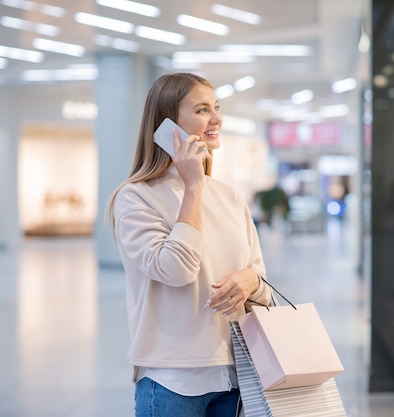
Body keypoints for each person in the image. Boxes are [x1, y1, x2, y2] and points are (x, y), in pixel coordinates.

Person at [107, 72, 272, 417]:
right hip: (171, 382)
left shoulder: (230, 198)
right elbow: (176, 270)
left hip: (233, 378)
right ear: (168, 125)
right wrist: (194, 186)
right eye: (201, 110)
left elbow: (262, 285)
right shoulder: (135, 198)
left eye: (216, 108)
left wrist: (250, 281)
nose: (216, 119)